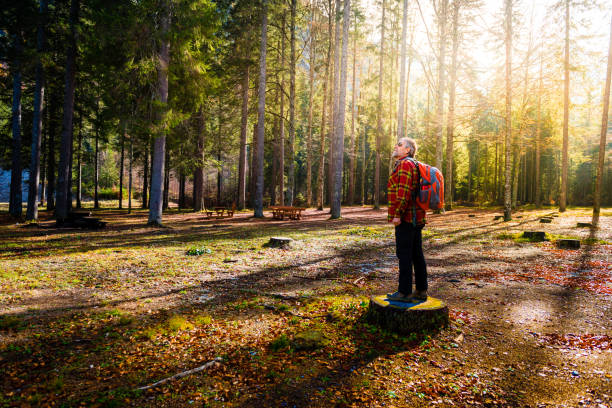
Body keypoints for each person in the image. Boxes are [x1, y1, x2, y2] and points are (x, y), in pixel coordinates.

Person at [386, 137, 428, 302]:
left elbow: (403, 192)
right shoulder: (415, 164)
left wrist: (397, 214)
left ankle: (404, 292)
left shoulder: (404, 164)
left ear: (408, 150)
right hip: (417, 217)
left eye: (400, 144)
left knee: (404, 254)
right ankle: (421, 290)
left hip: (407, 217)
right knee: (417, 253)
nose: (396, 146)